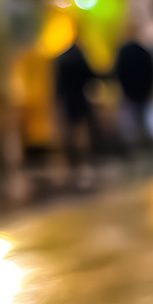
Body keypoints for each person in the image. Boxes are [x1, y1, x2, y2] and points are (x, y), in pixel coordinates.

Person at [52, 27, 100, 187]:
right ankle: (83, 161)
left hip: (68, 101)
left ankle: (73, 162)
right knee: (82, 133)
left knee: (71, 133)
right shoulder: (80, 55)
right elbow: (90, 75)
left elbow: (57, 85)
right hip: (80, 99)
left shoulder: (62, 58)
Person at [112, 28, 153, 168]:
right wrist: (150, 89)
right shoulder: (143, 51)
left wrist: (124, 88)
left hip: (129, 92)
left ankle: (134, 152)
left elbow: (118, 71)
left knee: (130, 124)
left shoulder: (123, 52)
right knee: (145, 123)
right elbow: (152, 70)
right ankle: (149, 150)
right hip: (143, 92)